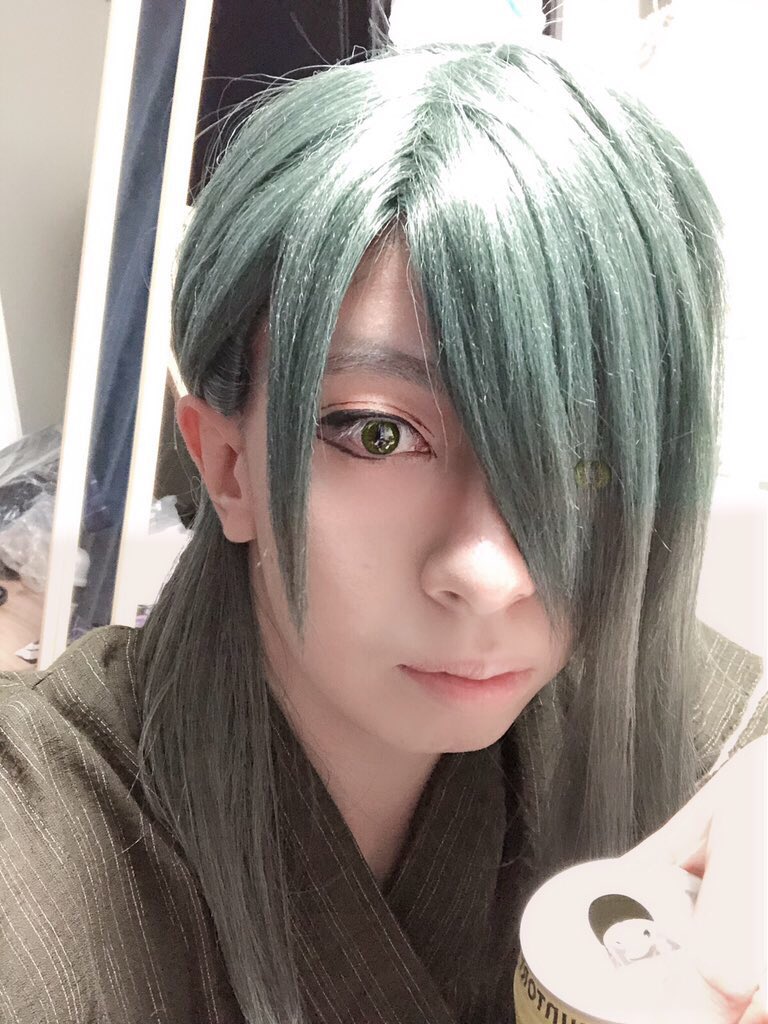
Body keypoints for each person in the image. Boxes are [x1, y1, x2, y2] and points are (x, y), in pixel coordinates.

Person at [1, 36, 765, 1024]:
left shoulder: (649, 710)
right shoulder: (42, 859)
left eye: (588, 461)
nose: (491, 571)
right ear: (227, 463)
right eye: (379, 432)